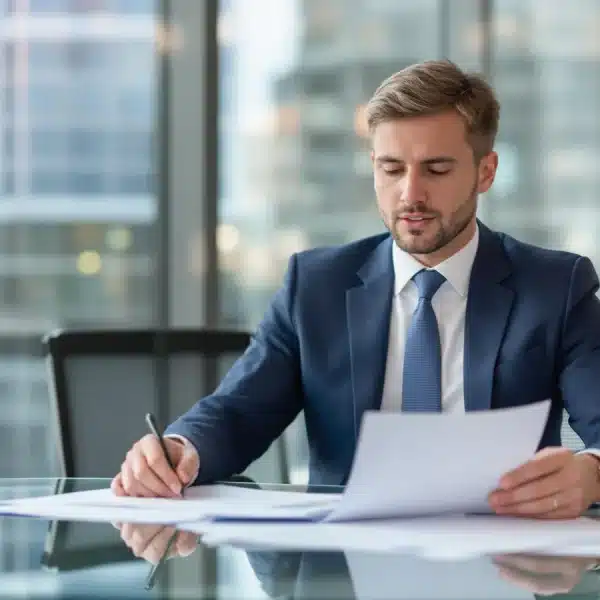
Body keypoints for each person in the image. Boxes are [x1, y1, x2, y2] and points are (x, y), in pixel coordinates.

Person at [112, 59, 600, 519]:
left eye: (436, 169)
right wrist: (179, 449)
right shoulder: (316, 286)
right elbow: (239, 410)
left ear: (485, 171)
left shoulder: (555, 288)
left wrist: (591, 473)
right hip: (345, 567)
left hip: (503, 558)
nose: (410, 194)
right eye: (391, 169)